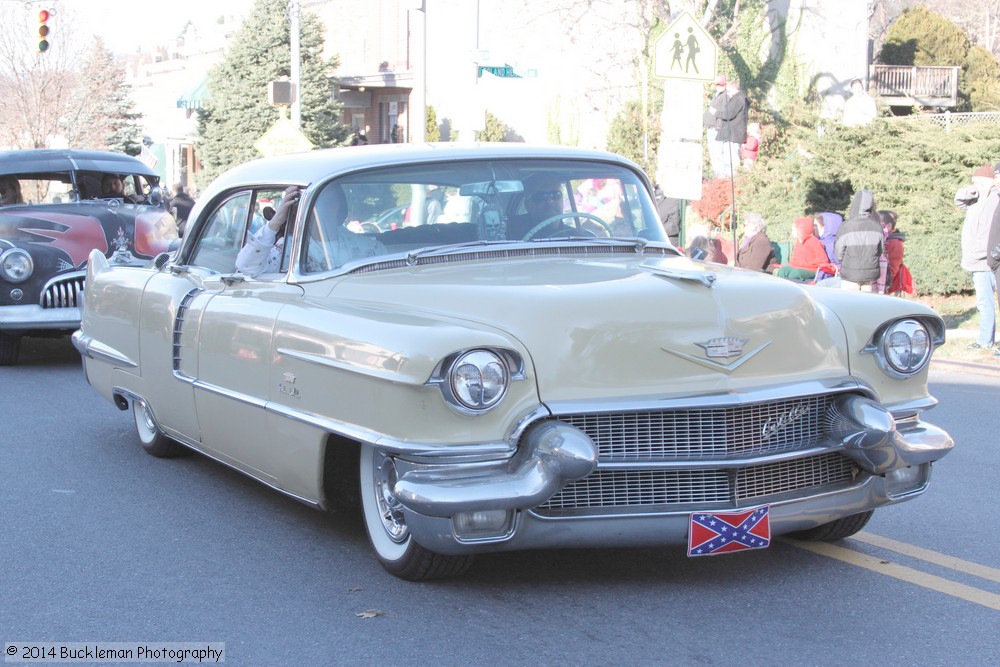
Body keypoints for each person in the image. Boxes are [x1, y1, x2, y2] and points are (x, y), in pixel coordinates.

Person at [955, 163, 1000, 350]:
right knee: (984, 303)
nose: (976, 184)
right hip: (977, 261)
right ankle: (985, 340)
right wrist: (973, 190)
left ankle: (987, 341)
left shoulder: (995, 197)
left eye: (978, 181)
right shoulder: (974, 199)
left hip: (992, 257)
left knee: (989, 303)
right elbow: (958, 200)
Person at [835, 189, 884, 291]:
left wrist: (847, 263)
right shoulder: (877, 226)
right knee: (865, 304)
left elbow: (838, 252)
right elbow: (880, 251)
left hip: (850, 273)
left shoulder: (847, 226)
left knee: (848, 304)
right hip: (869, 274)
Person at [507, 175, 566, 239]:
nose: (550, 202)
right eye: (540, 196)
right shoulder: (509, 230)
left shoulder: (576, 237)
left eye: (556, 195)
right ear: (528, 205)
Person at [774, 216, 827, 281]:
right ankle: (781, 287)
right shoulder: (799, 242)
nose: (792, 232)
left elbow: (823, 261)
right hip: (797, 267)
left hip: (812, 270)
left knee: (796, 273)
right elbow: (795, 261)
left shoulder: (815, 242)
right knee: (783, 271)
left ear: (800, 230)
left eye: (793, 230)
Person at [717, 78, 750, 177]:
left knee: (732, 158)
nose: (727, 93)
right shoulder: (738, 98)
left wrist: (717, 113)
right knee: (728, 157)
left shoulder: (739, 98)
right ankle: (728, 177)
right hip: (732, 133)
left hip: (734, 133)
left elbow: (730, 114)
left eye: (728, 90)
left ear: (734, 88)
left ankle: (732, 178)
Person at [880, 210, 914, 296]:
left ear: (889, 226)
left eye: (878, 223)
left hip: (889, 290)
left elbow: (891, 271)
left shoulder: (894, 243)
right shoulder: (886, 240)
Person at [704, 76, 729, 178]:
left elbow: (724, 113)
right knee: (714, 155)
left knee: (718, 155)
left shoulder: (725, 96)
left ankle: (721, 178)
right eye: (717, 84)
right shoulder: (717, 95)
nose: (718, 86)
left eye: (720, 85)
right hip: (711, 127)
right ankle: (718, 176)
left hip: (717, 129)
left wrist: (718, 125)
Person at [813, 212, 844, 283]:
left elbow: (839, 265)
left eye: (816, 226)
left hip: (827, 278)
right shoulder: (818, 241)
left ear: (826, 227)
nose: (814, 229)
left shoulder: (834, 244)